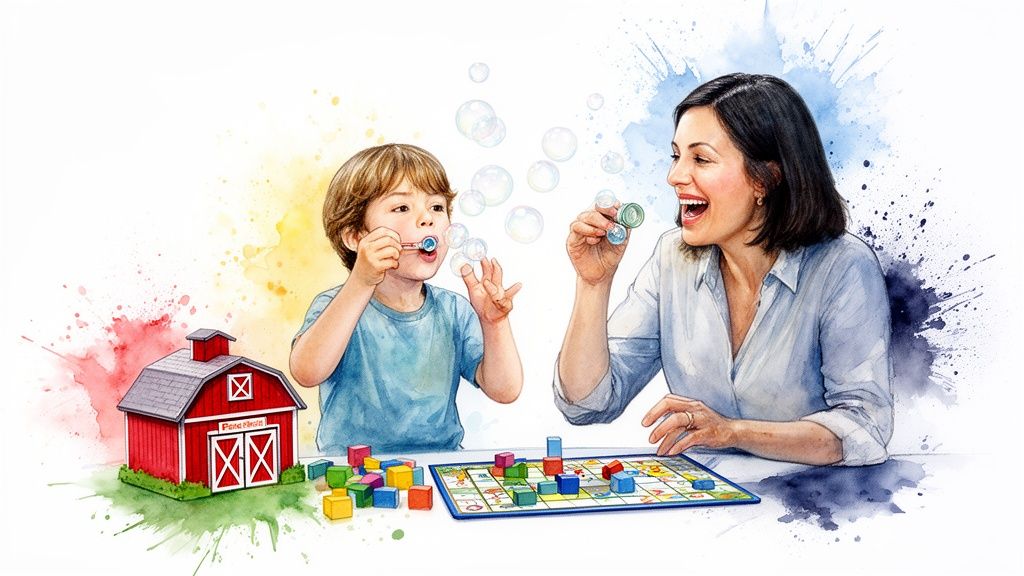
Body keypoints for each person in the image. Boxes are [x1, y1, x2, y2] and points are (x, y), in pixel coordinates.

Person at [555, 73, 893, 466]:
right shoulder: (671, 257)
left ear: (765, 179)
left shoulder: (844, 266)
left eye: (700, 159)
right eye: (676, 156)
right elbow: (588, 403)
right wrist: (593, 284)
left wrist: (732, 431)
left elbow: (864, 429)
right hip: (706, 496)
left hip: (809, 496)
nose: (675, 177)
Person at [290, 143, 523, 455]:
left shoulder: (454, 310)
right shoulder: (336, 306)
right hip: (354, 468)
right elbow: (306, 372)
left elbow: (505, 390)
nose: (427, 219)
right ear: (356, 237)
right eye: (402, 208)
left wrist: (494, 324)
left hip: (439, 462)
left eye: (437, 207)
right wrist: (360, 282)